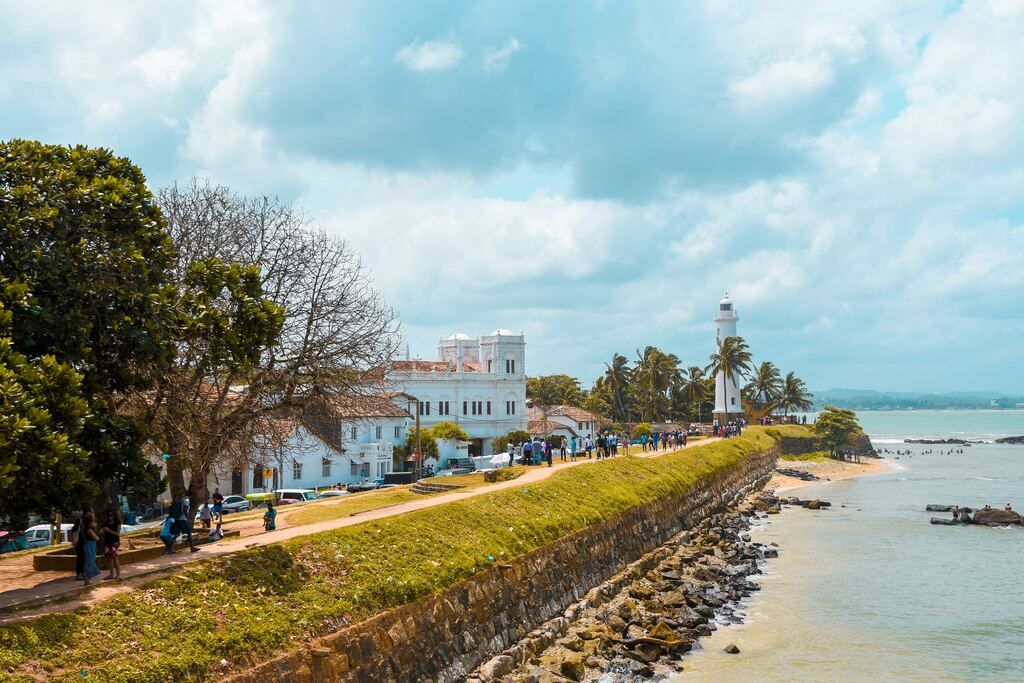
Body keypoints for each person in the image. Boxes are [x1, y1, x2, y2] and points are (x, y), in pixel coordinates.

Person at [102, 510, 122, 580]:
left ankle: (118, 574)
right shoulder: (106, 523)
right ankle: (111, 574)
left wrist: (109, 530)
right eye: (109, 515)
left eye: (112, 515)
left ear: (114, 516)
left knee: (115, 557)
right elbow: (102, 531)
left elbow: (117, 533)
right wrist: (103, 530)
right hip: (107, 542)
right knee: (109, 558)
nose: (110, 517)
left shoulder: (117, 523)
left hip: (114, 542)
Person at [82, 514, 100, 585]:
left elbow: (95, 525)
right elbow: (96, 538)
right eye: (92, 521)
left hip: (90, 545)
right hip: (90, 545)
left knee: (90, 561)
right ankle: (87, 579)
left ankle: (88, 579)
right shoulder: (89, 529)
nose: (94, 523)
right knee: (89, 561)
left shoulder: (87, 528)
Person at [70, 514, 85, 580]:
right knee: (80, 559)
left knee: (82, 559)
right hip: (78, 545)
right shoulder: (75, 529)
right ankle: (79, 574)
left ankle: (81, 573)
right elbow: (74, 540)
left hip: (80, 544)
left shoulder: (79, 530)